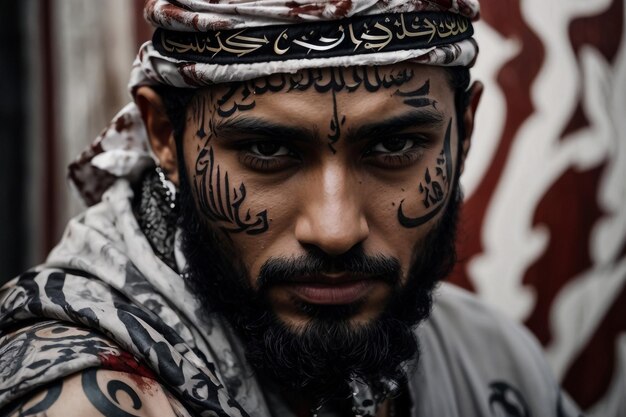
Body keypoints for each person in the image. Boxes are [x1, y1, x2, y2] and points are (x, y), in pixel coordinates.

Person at [0, 1, 583, 416]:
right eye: (269, 150)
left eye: (394, 146)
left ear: (466, 130)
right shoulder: (94, 397)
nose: (334, 230)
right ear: (162, 135)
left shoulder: (494, 360)